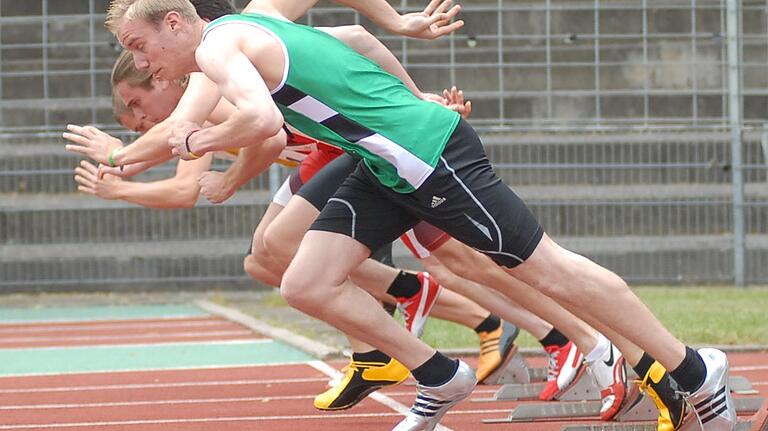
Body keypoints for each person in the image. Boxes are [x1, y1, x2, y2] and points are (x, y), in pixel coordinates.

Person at [90, 1, 731, 430]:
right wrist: (128, 158)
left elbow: (256, 120)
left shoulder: (216, 51)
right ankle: (439, 374)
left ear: (175, 22)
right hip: (383, 165)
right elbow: (267, 99)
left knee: (548, 270)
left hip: (427, 153)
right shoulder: (246, 23)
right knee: (302, 280)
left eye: (138, 48)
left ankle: (694, 369)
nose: (141, 62)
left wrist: (198, 143)